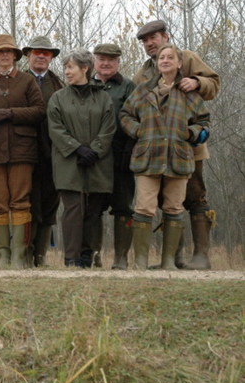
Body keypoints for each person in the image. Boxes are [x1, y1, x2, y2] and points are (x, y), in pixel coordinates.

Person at [133, 20, 220, 270]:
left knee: (195, 196)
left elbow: (214, 84)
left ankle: (201, 256)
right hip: (156, 152)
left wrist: (197, 82)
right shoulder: (143, 74)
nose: (149, 44)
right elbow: (132, 108)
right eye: (145, 41)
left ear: (166, 37)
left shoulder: (187, 58)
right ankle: (173, 258)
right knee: (166, 201)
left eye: (153, 38)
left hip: (188, 147)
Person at [0, 34, 45, 269]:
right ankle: (1, 257)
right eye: (0, 52)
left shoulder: (27, 81)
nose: (4, 55)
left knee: (20, 202)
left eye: (9, 51)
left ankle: (19, 257)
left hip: (22, 150)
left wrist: (9, 113)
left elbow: (39, 111)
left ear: (15, 56)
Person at [47, 49, 115, 268]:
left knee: (94, 210)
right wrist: (77, 149)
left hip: (98, 162)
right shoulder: (58, 98)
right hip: (68, 162)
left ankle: (88, 255)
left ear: (85, 68)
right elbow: (55, 128)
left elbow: (109, 127)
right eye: (65, 67)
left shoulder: (103, 97)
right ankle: (71, 257)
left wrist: (95, 150)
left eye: (70, 67)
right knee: (73, 209)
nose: (66, 72)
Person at [92, 44, 137, 269]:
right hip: (93, 159)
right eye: (101, 59)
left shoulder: (128, 87)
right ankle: (94, 255)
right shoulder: (86, 85)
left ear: (118, 62)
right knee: (93, 207)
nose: (106, 63)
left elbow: (135, 118)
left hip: (121, 157)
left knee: (123, 207)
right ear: (94, 62)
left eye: (111, 59)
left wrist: (129, 152)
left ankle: (121, 258)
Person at [22, 36, 65, 267]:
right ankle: (25, 255)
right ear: (28, 55)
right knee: (27, 204)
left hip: (53, 154)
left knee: (49, 204)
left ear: (51, 58)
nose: (41, 56)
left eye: (46, 53)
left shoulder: (59, 85)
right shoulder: (19, 81)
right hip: (24, 153)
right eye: (36, 52)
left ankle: (40, 255)